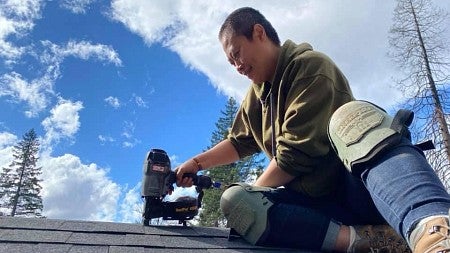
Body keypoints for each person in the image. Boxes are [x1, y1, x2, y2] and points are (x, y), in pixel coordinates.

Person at [175, 7, 450, 253]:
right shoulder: (255, 99)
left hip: (360, 189)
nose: (236, 66)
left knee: (354, 118)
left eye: (237, 54)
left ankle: (434, 230)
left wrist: (257, 189)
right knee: (235, 200)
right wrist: (197, 163)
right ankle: (366, 240)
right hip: (319, 211)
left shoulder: (311, 67)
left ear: (258, 33)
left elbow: (294, 156)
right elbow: (238, 142)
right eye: (230, 62)